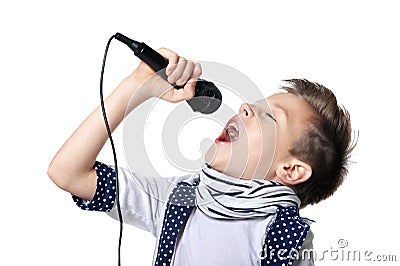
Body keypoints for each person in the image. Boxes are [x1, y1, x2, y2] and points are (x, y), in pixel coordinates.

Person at [48, 48, 355, 266]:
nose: (245, 108)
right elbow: (68, 173)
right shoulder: (179, 199)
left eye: (269, 118)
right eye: (252, 105)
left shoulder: (283, 238)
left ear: (290, 170)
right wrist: (137, 86)